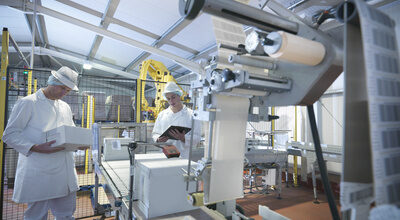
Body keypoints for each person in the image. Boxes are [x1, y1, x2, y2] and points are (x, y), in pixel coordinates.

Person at [2, 66, 88, 220]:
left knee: (66, 213)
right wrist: (35, 147)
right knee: (36, 215)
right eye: (62, 88)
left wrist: (79, 143)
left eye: (67, 91)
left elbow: (71, 131)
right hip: (39, 169)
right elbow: (9, 134)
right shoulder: (29, 103)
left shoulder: (65, 107)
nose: (64, 93)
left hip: (65, 170)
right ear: (52, 81)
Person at [152, 82, 201, 159]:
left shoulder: (191, 115)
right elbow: (155, 133)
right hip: (164, 155)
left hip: (183, 155)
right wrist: (158, 139)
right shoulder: (162, 115)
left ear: (179, 96)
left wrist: (183, 138)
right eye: (168, 98)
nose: (171, 101)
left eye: (173, 97)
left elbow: (197, 138)